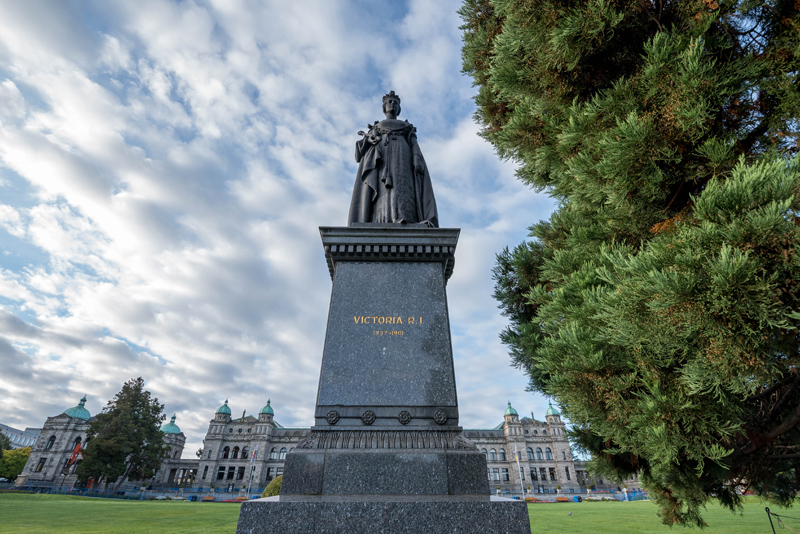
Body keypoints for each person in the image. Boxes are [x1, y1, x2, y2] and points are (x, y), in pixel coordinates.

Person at [348, 91, 438, 227]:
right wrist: (370, 139)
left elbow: (413, 143)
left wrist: (416, 157)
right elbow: (362, 148)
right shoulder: (377, 126)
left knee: (402, 184)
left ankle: (405, 217)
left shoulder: (406, 126)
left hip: (403, 155)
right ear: (384, 107)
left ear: (399, 108)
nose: (392, 104)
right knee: (382, 189)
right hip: (381, 159)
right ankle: (380, 220)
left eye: (395, 102)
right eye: (389, 102)